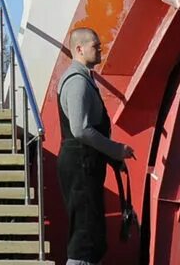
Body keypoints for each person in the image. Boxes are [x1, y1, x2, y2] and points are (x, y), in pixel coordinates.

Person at [57, 23, 133, 265]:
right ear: (79, 49)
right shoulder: (77, 82)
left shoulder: (81, 79)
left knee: (91, 235)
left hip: (84, 164)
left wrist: (113, 159)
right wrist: (116, 150)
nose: (100, 49)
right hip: (81, 166)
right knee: (85, 238)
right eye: (95, 46)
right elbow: (80, 129)